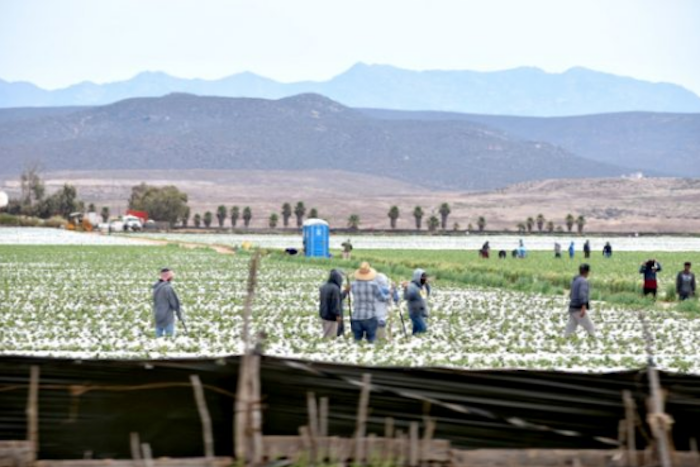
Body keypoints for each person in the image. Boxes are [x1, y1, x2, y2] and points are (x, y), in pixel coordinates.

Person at [350, 262, 388, 343]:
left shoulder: (353, 285)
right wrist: (390, 294)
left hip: (356, 317)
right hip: (370, 316)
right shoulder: (373, 285)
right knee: (371, 339)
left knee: (357, 340)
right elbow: (382, 298)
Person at [565, 264, 596, 338]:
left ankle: (565, 340)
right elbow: (582, 294)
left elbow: (570, 294)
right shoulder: (583, 281)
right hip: (578, 308)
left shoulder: (575, 280)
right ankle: (592, 341)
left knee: (570, 327)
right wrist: (583, 307)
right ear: (587, 272)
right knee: (590, 327)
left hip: (572, 307)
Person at [152, 268, 183, 337]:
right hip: (167, 317)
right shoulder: (168, 288)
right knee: (169, 337)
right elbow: (175, 303)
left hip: (157, 315)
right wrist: (180, 315)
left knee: (158, 338)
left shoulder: (156, 287)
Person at [319, 269, 349, 339]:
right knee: (330, 337)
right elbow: (335, 303)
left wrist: (345, 291)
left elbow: (338, 298)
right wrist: (337, 315)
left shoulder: (324, 286)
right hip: (332, 317)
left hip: (324, 315)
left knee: (326, 333)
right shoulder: (335, 289)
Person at [403, 269, 430, 335]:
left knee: (416, 331)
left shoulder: (421, 287)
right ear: (417, 277)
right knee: (423, 329)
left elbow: (425, 296)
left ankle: (412, 340)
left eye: (424, 277)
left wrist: (427, 285)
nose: (424, 278)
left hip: (420, 312)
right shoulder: (412, 286)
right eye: (422, 277)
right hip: (415, 313)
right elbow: (407, 297)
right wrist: (406, 288)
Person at [375, 273, 400, 340]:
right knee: (380, 340)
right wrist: (394, 290)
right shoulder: (384, 290)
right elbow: (395, 298)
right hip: (379, 319)